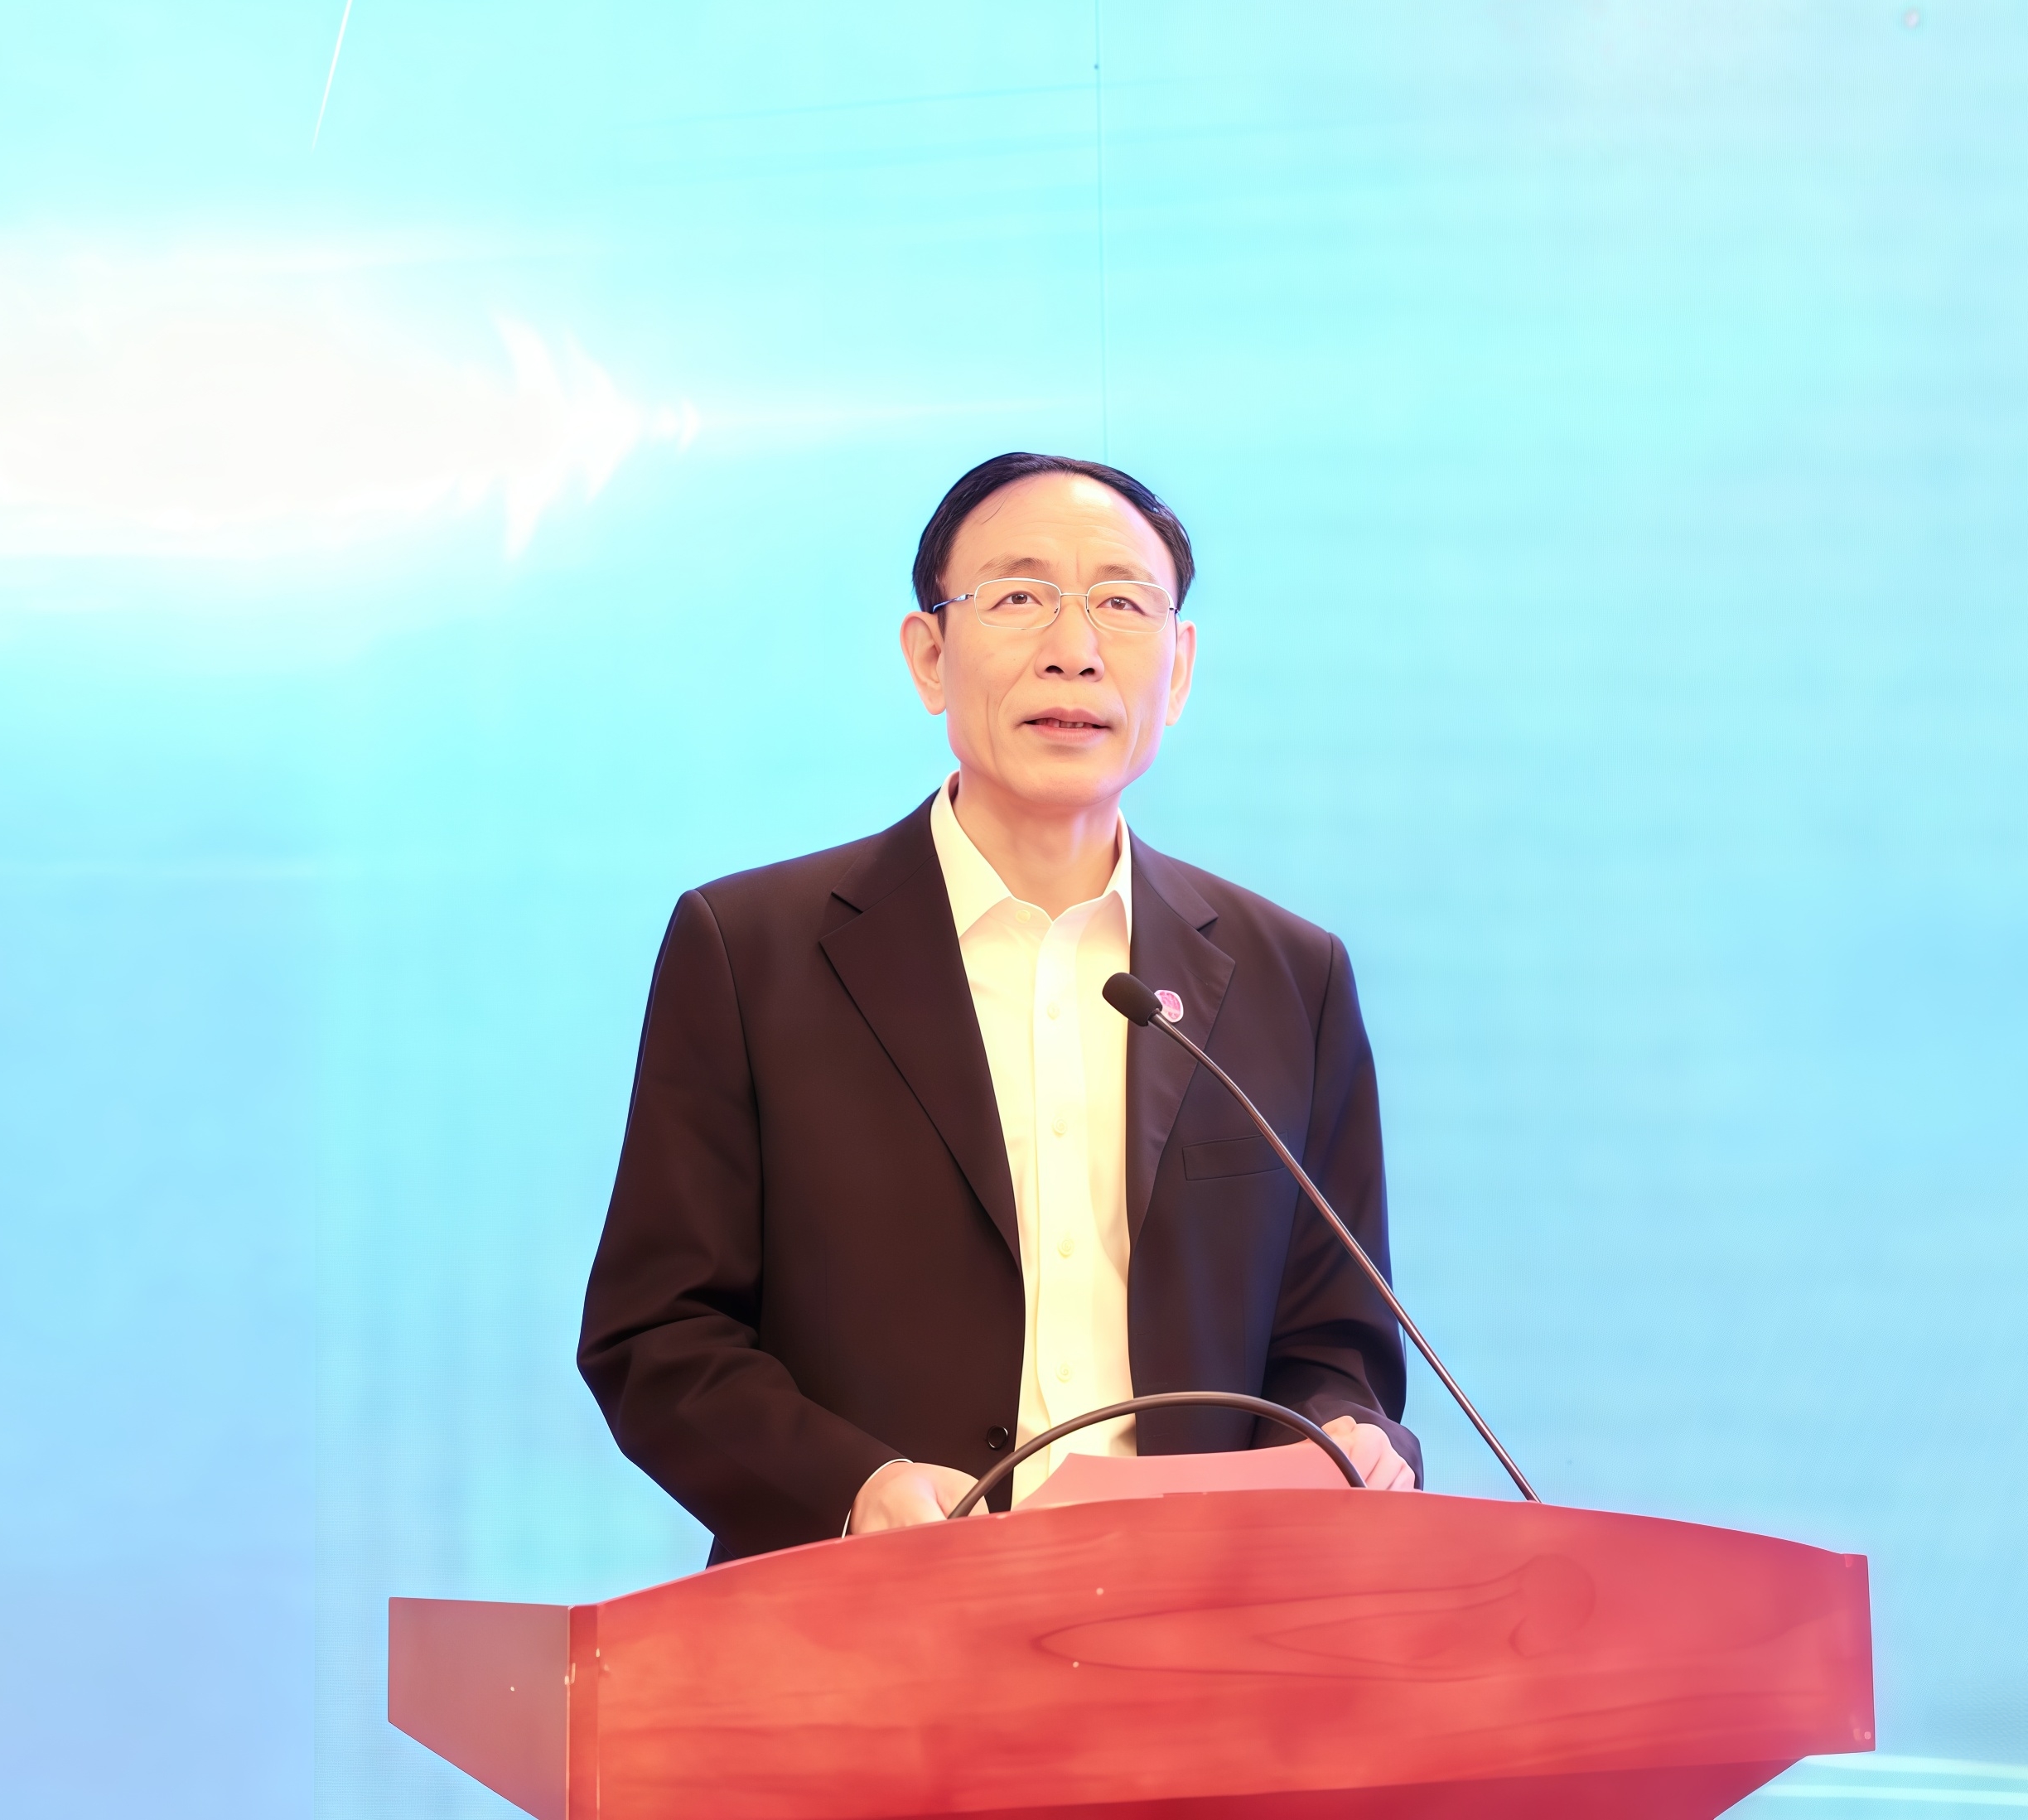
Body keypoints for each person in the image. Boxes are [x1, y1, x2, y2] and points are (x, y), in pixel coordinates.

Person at [578, 452, 1420, 1564]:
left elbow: (1333, 1341)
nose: (1074, 649)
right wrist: (856, 1487)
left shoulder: (1289, 977)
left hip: (1195, 1616)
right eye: (1021, 597)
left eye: (1122, 604)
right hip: (868, 1612)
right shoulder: (750, 952)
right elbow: (658, 1336)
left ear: (1178, 671)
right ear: (929, 655)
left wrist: (1348, 1435)